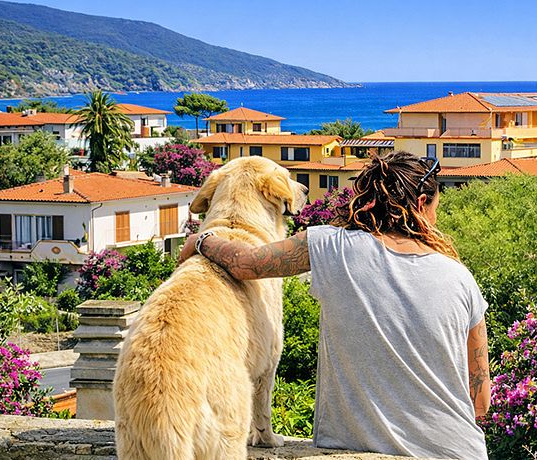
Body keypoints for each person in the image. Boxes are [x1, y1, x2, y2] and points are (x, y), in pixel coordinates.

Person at [179, 151, 490, 459]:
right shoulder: (461, 279)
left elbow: (245, 264)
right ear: (422, 204)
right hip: (459, 450)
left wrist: (200, 241)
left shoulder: (330, 246)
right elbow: (480, 400)